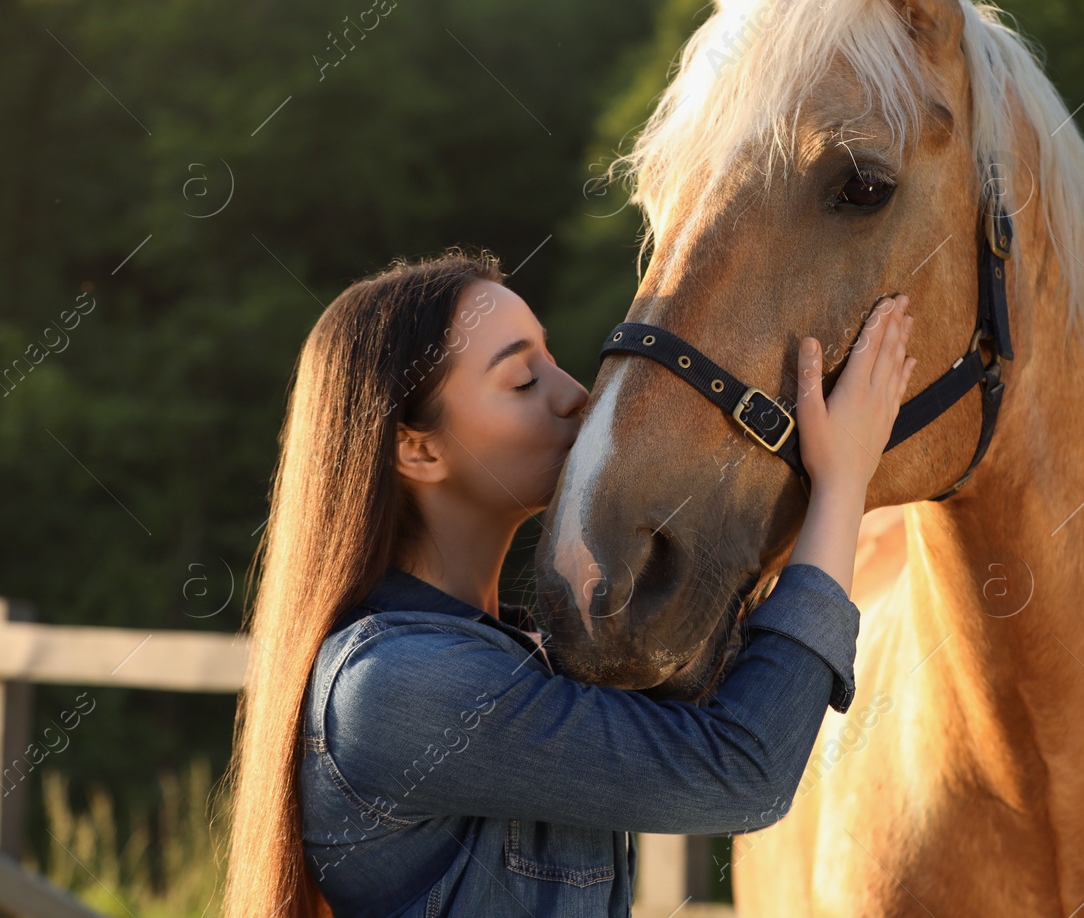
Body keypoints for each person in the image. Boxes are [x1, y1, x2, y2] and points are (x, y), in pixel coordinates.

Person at [220, 249, 916, 918]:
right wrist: (842, 481)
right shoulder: (396, 684)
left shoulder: (524, 651)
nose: (576, 395)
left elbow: (746, 694)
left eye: (551, 359)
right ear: (418, 447)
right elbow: (741, 770)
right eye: (523, 380)